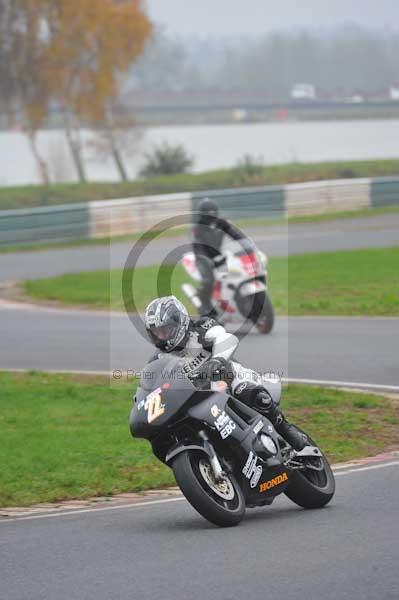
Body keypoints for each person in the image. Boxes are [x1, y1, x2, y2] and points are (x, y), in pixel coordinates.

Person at [144, 295, 307, 450]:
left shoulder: (200, 327)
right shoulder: (158, 358)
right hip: (198, 397)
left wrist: (217, 360)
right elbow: (150, 385)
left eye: (165, 330)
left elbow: (226, 338)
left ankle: (285, 429)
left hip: (228, 377)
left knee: (248, 392)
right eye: (157, 333)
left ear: (179, 321)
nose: (162, 337)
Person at [192, 197, 251, 316]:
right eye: (208, 213)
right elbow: (199, 246)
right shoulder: (197, 228)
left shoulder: (221, 223)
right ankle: (205, 303)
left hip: (219, 254)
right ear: (202, 214)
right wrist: (209, 259)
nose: (211, 215)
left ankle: (236, 299)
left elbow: (235, 233)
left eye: (213, 212)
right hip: (203, 257)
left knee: (238, 271)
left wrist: (246, 244)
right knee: (209, 280)